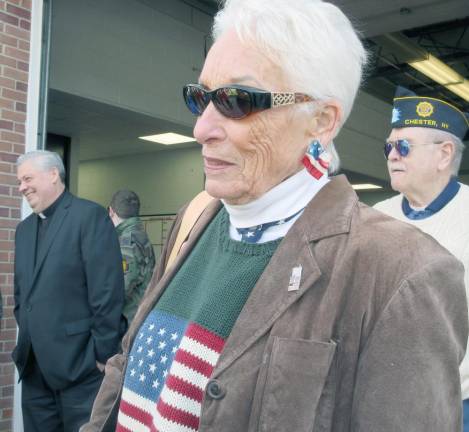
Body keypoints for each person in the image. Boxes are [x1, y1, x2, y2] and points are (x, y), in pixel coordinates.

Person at [82, 1, 467, 431]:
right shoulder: (194, 218)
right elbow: (126, 367)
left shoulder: (400, 272)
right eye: (201, 97)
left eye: (236, 100)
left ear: (321, 120)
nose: (201, 128)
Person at [374, 86, 469, 429]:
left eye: (403, 147)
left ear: (444, 155)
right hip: (384, 399)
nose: (392, 156)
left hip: (457, 405)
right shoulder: (376, 216)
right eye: (389, 147)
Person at [13, 150, 125, 431]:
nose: (21, 187)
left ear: (53, 174)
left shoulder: (89, 217)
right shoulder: (24, 230)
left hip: (81, 368)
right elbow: (21, 295)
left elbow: (107, 292)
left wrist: (102, 356)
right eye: (19, 181)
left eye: (27, 178)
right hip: (34, 368)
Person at [108, 190, 156, 324]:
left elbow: (120, 288)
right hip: (140, 315)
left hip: (128, 321)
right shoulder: (139, 235)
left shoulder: (126, 242)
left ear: (111, 211)